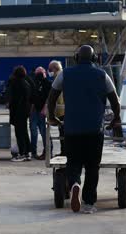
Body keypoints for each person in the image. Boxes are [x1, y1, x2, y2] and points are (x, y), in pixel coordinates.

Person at [48, 45, 121, 214]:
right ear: (94, 58)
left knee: (73, 164)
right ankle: (88, 203)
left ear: (76, 57)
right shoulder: (102, 75)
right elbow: (115, 100)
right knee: (92, 167)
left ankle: (74, 184)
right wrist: (116, 118)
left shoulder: (64, 74)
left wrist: (52, 117)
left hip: (72, 129)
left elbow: (51, 97)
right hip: (94, 130)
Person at [8, 66, 32, 162]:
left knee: (19, 133)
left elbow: (13, 99)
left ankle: (22, 153)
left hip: (18, 111)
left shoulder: (16, 83)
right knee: (24, 132)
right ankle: (27, 152)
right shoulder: (26, 83)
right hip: (25, 111)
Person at [29, 66, 51, 160]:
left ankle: (47, 151)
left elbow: (49, 97)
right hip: (35, 111)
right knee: (35, 132)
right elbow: (32, 97)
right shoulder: (34, 83)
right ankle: (34, 151)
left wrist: (45, 108)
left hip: (42, 111)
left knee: (43, 132)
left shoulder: (47, 83)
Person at [48, 60, 66, 156]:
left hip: (62, 111)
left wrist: (52, 114)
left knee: (63, 133)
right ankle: (64, 151)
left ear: (55, 68)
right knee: (63, 133)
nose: (49, 71)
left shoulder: (59, 77)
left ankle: (64, 152)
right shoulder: (62, 75)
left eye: (50, 69)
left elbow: (54, 98)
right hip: (64, 110)